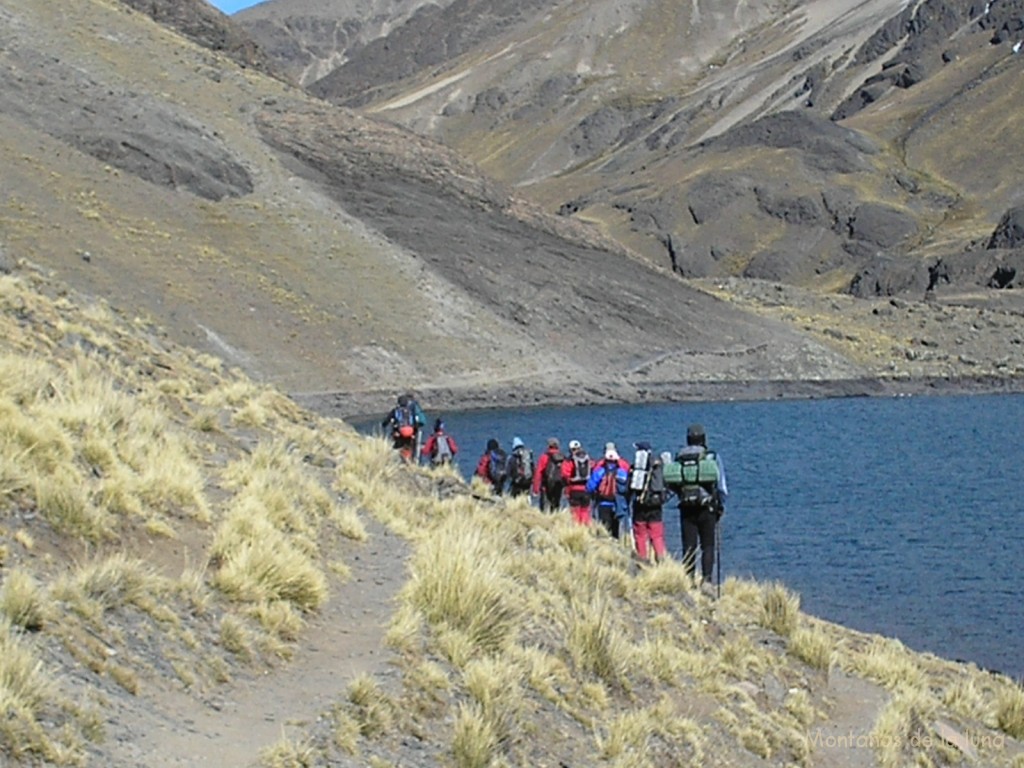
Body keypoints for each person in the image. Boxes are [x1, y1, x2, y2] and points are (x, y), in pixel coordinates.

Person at [667, 423, 728, 594]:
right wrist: (720, 505)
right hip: (707, 507)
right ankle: (707, 581)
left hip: (686, 507)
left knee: (689, 545)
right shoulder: (712, 457)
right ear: (703, 439)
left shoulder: (679, 457)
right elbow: (721, 485)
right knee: (707, 544)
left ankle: (688, 579)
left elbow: (673, 481)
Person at [628, 442, 668, 563]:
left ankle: (643, 559)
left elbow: (630, 486)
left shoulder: (637, 466)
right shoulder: (659, 464)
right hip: (656, 504)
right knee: (656, 535)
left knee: (640, 534)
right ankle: (661, 559)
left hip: (640, 503)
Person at [587, 445, 629, 538]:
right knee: (616, 529)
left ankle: (605, 546)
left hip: (603, 503)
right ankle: (616, 545)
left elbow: (590, 487)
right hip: (617, 504)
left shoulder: (600, 471)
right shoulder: (622, 472)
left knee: (605, 527)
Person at [561, 439, 592, 525]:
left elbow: (564, 474)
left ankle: (577, 529)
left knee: (575, 512)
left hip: (574, 489)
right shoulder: (588, 459)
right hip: (586, 489)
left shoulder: (570, 461)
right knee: (585, 511)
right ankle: (585, 528)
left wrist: (566, 486)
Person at [532, 437, 565, 512]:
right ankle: (556, 520)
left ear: (549, 446)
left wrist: (535, 489)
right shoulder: (562, 457)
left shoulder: (544, 457)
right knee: (556, 505)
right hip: (558, 485)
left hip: (546, 485)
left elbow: (538, 473)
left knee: (545, 507)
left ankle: (545, 520)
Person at [381, 395, 417, 462]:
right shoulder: (410, 411)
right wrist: (414, 432)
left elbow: (387, 420)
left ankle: (400, 458)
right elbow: (415, 422)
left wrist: (383, 425)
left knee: (398, 443)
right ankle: (410, 460)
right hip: (410, 431)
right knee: (409, 445)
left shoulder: (395, 410)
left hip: (401, 432)